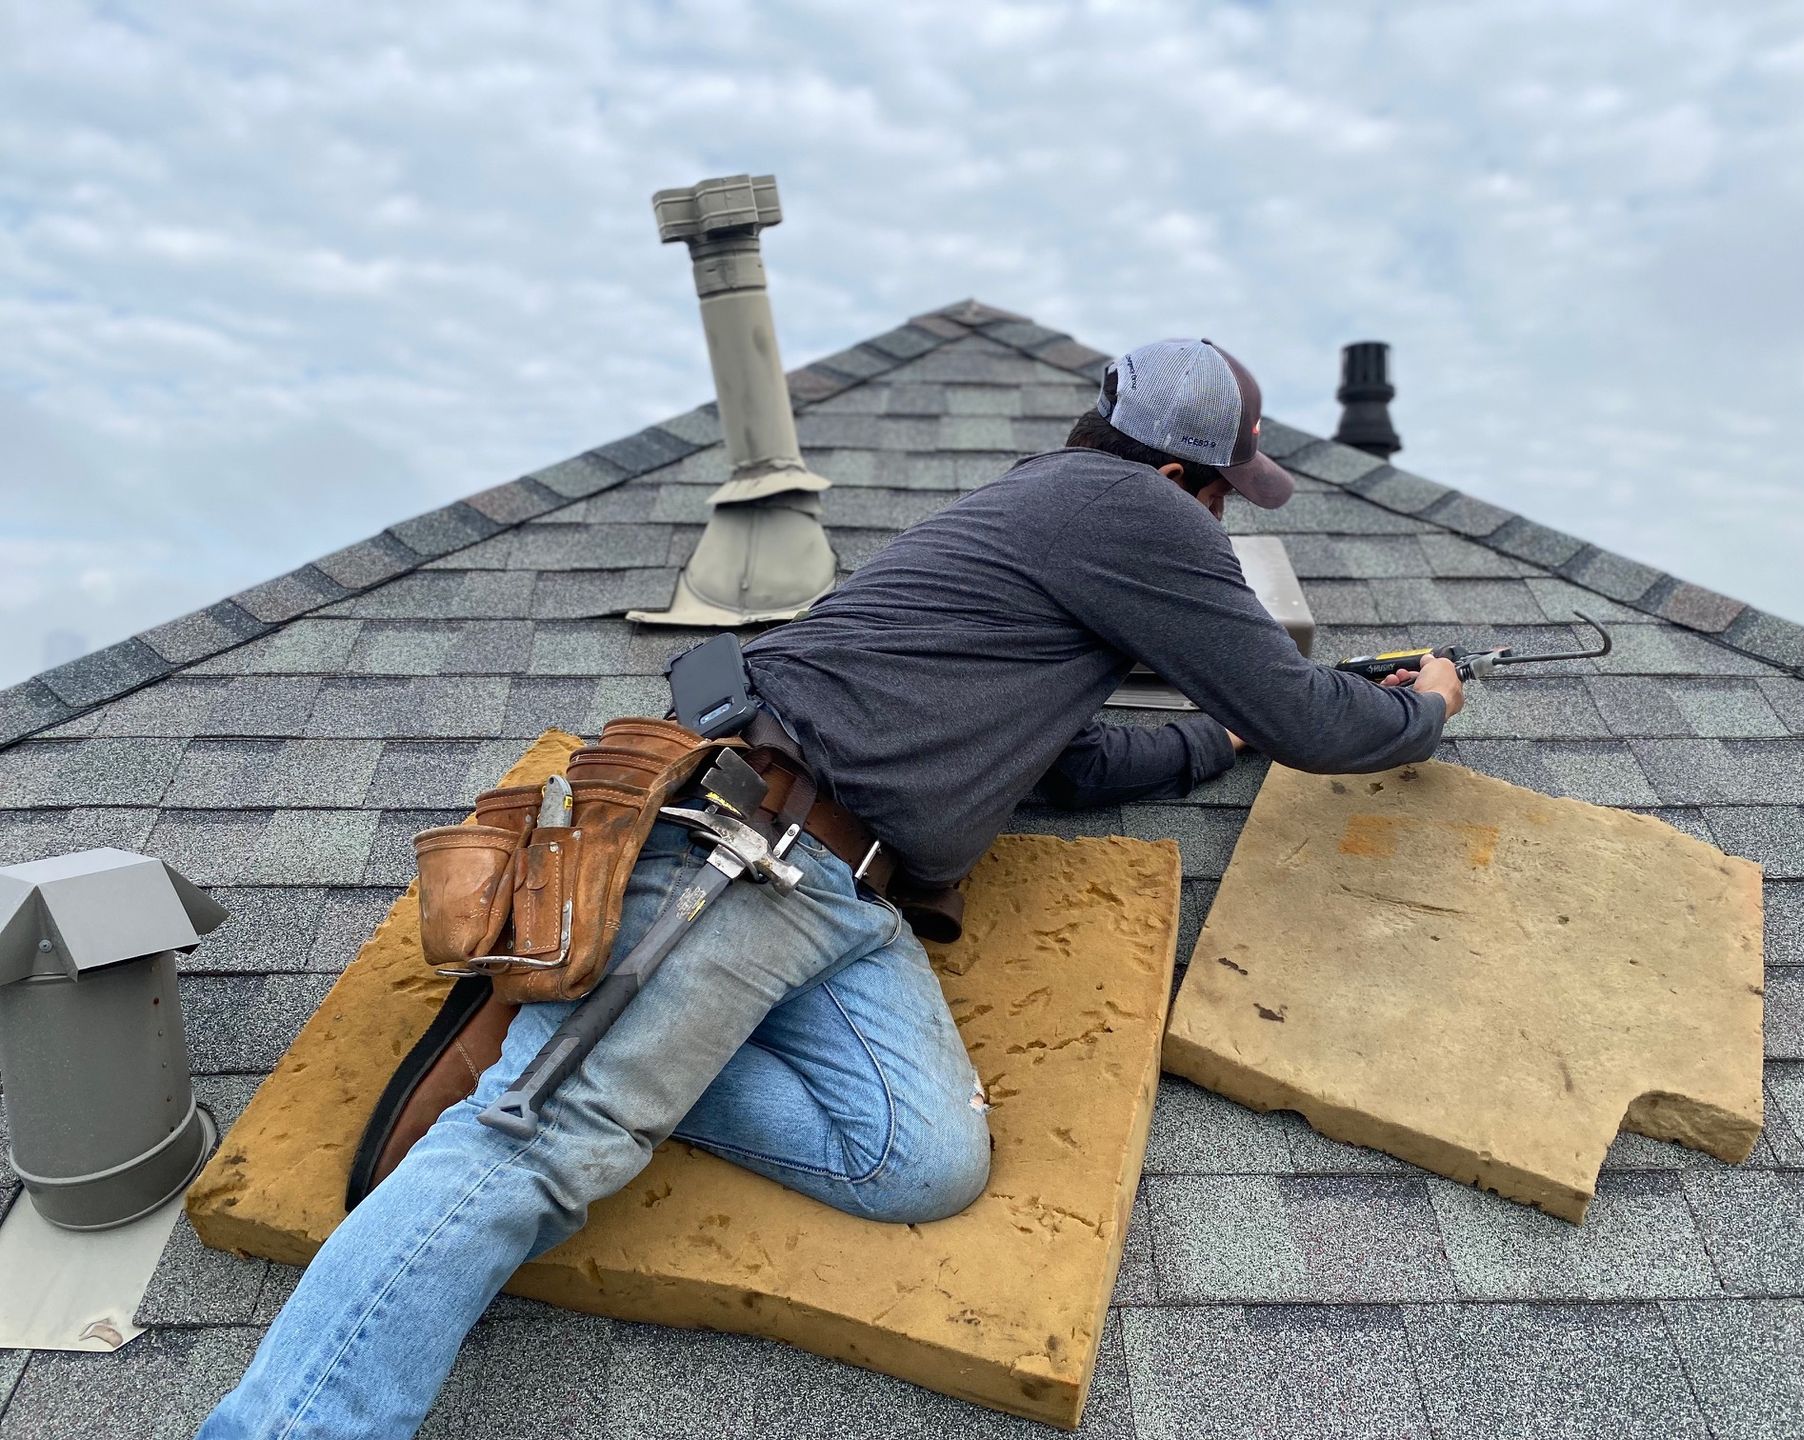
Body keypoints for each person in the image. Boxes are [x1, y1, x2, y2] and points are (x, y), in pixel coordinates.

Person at [197, 338, 1462, 1437]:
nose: (1222, 522)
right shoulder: (1134, 518)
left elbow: (1065, 763)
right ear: (1185, 477)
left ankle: (596, 1020)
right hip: (749, 851)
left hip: (843, 898)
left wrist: (1217, 742)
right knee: (542, 1144)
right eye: (1226, 493)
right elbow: (1318, 721)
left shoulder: (1043, 529)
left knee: (919, 1162)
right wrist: (1426, 708)